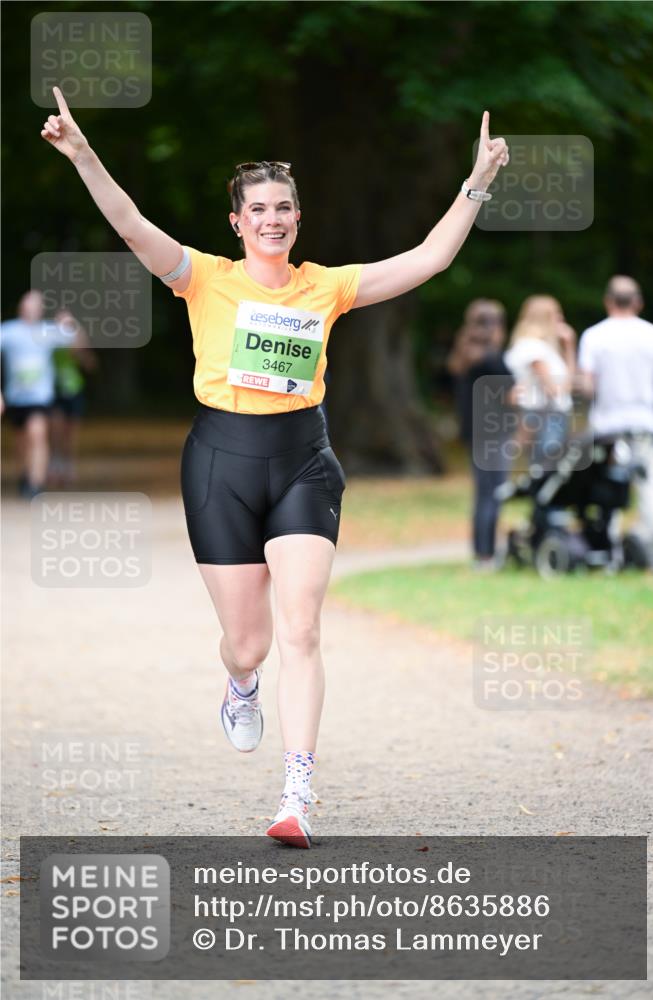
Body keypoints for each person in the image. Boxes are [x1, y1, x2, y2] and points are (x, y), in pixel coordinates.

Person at [41, 87, 508, 847]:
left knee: (301, 628)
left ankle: (296, 792)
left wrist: (477, 179)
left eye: (282, 207)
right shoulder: (202, 276)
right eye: (257, 209)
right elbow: (130, 225)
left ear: (297, 217)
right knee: (251, 642)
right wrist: (82, 152)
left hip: (303, 462)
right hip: (220, 462)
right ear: (237, 222)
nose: (271, 218)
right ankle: (239, 682)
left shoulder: (326, 285)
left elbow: (427, 259)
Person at [578, 276, 653, 542]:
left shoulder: (594, 336)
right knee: (648, 487)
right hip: (644, 421)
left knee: (610, 487)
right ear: (638, 302)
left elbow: (587, 386)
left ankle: (610, 544)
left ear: (608, 302)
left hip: (607, 425)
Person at [447, 299, 514, 569]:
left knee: (483, 493)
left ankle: (481, 552)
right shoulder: (492, 359)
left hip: (475, 432)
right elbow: (510, 394)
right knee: (494, 493)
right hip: (493, 433)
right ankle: (486, 554)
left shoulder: (465, 354)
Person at [0, 291, 75, 498]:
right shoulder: (9, 330)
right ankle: (25, 474)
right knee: (21, 441)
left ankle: (36, 483)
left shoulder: (46, 331)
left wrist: (68, 324)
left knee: (38, 433)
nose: (31, 308)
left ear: (41, 309)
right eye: (28, 304)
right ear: (20, 307)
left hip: (40, 397)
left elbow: (73, 341)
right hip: (15, 397)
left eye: (36, 305)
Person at [504, 295, 576, 470]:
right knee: (547, 467)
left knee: (541, 467)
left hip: (542, 414)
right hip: (549, 416)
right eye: (556, 314)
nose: (561, 319)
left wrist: (567, 347)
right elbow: (557, 390)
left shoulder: (531, 346)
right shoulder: (534, 348)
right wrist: (571, 346)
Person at [48, 312, 97, 488]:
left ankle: (68, 465)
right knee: (55, 430)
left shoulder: (78, 343)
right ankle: (55, 463)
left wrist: (79, 348)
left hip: (74, 390)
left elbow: (91, 365)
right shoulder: (49, 343)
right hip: (54, 390)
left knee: (70, 433)